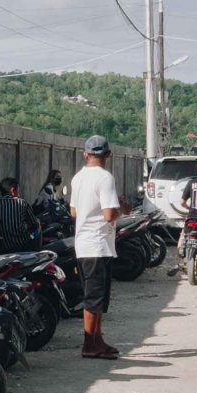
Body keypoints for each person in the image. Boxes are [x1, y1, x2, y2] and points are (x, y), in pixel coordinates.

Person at [71, 135, 124, 359]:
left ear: (85, 154)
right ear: (108, 155)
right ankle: (89, 344)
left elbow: (73, 212)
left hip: (83, 243)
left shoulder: (77, 178)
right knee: (94, 298)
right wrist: (124, 209)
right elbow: (110, 213)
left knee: (97, 297)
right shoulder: (105, 178)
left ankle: (97, 339)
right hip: (97, 244)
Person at [0, 176, 34, 252]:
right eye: (18, 190)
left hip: (3, 247)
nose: (19, 194)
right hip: (22, 246)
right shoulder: (23, 203)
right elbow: (33, 224)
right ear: (12, 190)